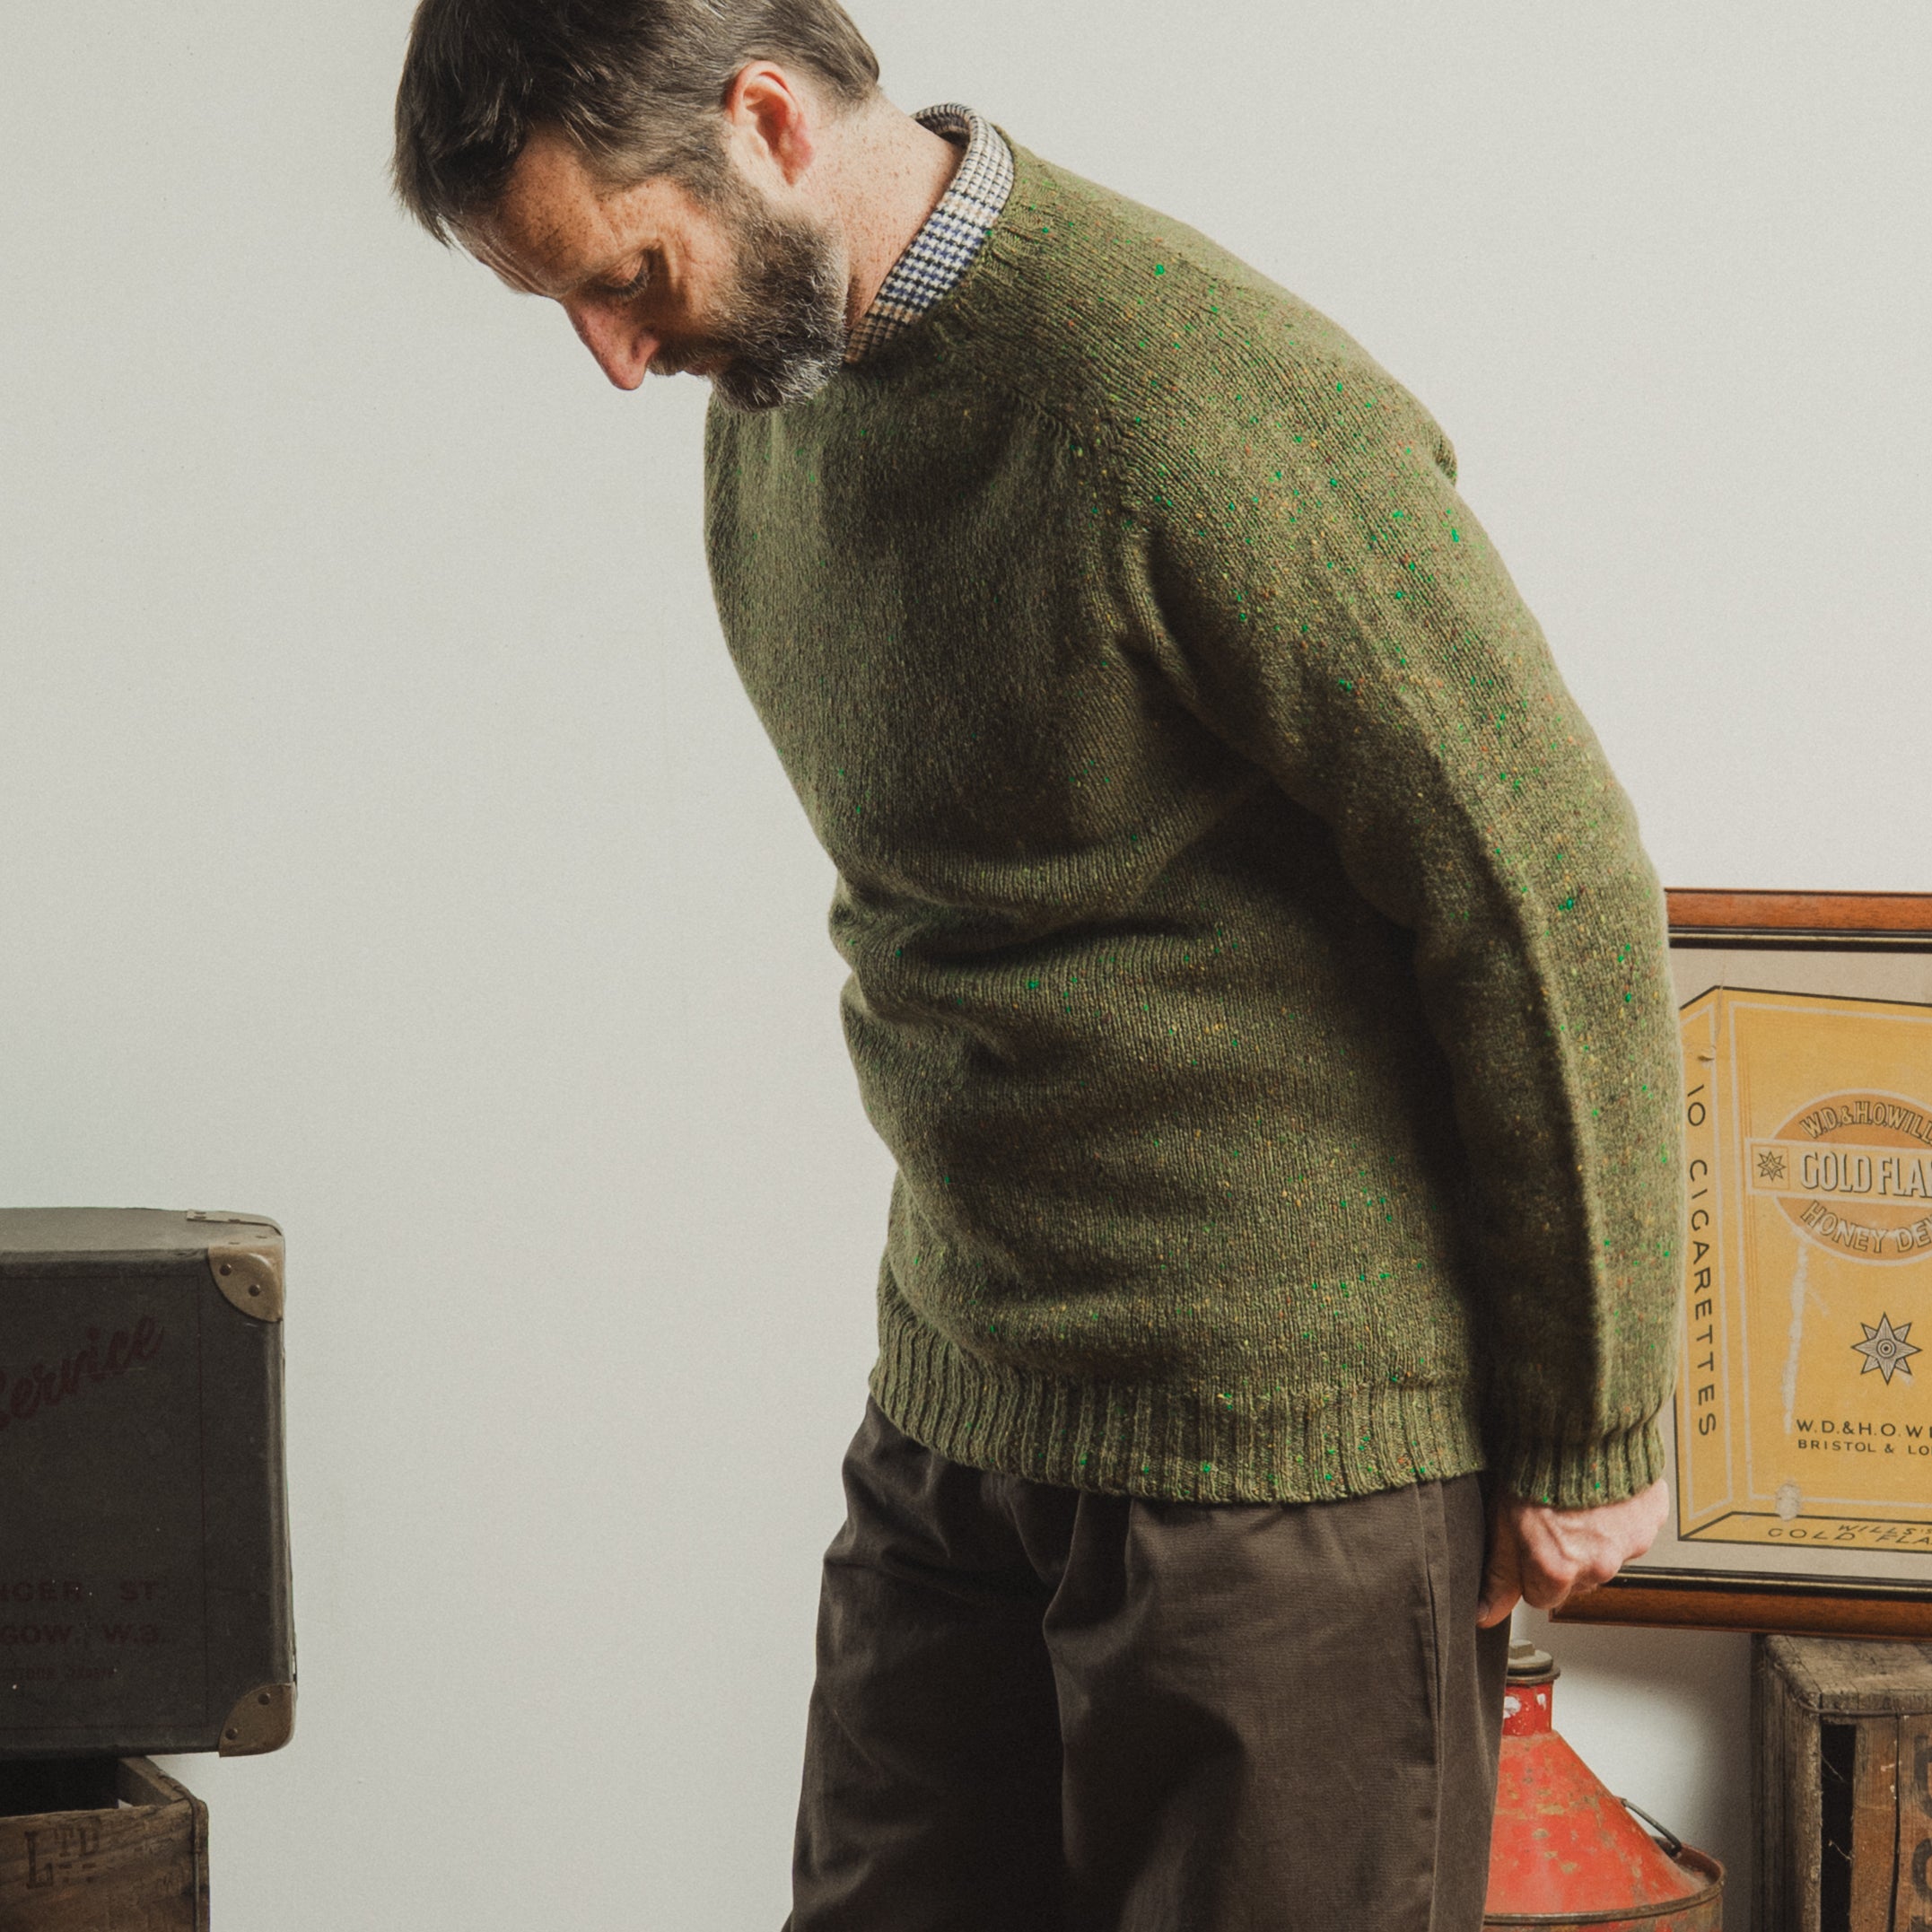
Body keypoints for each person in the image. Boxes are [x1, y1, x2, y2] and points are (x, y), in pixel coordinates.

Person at [392, 4, 1680, 1926]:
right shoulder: (784, 395)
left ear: (766, 122)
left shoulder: (1182, 403)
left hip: (1281, 1461)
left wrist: (1591, 1412)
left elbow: (1541, 881)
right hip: (962, 1405)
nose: (618, 358)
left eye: (628, 278)